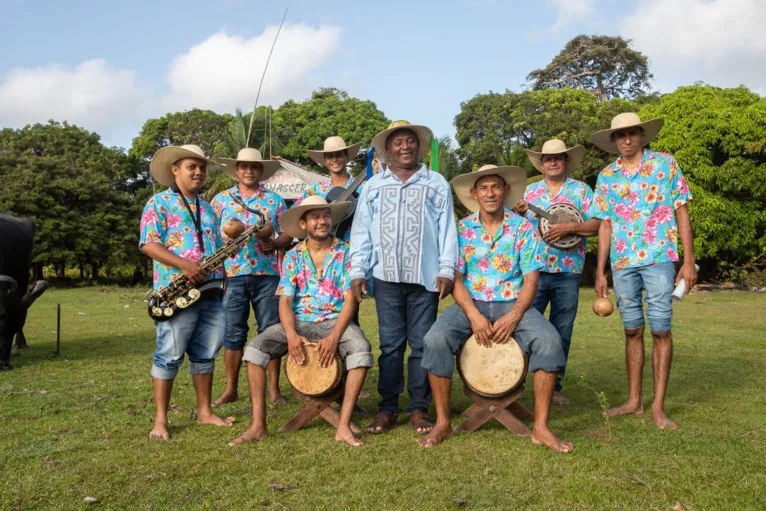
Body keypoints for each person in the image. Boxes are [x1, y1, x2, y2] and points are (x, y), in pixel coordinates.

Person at [419, 164, 573, 452]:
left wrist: (515, 315)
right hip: (471, 303)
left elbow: (531, 280)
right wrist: (474, 316)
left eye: (496, 187)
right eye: (484, 188)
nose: (490, 193)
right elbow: (458, 279)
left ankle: (540, 428)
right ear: (475, 193)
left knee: (550, 341)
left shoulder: (523, 228)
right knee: (435, 339)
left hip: (513, 302)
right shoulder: (461, 229)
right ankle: (442, 422)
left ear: (505, 191)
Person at [229, 196, 373, 447]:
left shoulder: (347, 253)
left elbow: (350, 300)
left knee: (360, 349)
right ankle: (258, 426)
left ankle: (343, 426)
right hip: (299, 322)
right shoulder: (294, 255)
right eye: (315, 217)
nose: (322, 221)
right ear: (303, 224)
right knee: (254, 350)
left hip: (333, 321)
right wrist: (292, 335)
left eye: (326, 215)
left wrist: (334, 336)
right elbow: (284, 301)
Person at [349, 123, 458, 436]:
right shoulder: (373, 187)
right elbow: (361, 232)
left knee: (422, 345)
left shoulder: (436, 183)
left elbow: (447, 229)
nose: (405, 147)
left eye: (411, 142)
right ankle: (388, 408)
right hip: (386, 277)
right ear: (387, 149)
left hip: (426, 278)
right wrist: (358, 269)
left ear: (420, 147)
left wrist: (446, 269)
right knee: (391, 346)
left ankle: (419, 409)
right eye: (398, 142)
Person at [591, 112, 696, 430]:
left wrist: (688, 261)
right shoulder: (606, 176)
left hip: (660, 258)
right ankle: (634, 401)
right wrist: (600, 271)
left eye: (632, 133)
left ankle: (658, 407)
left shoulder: (666, 165)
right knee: (632, 330)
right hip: (622, 263)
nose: (626, 140)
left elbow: (682, 212)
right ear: (613, 141)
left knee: (661, 329)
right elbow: (605, 225)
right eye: (620, 135)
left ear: (642, 135)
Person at [139, 144, 234, 440]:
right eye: (191, 167)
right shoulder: (158, 203)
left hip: (212, 292)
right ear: (175, 170)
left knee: (206, 354)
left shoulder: (207, 208)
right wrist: (184, 265)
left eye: (202, 167)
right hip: (176, 294)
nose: (199, 172)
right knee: (168, 355)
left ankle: (205, 412)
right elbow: (148, 244)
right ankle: (160, 421)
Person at [515, 140, 600, 405]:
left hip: (568, 272)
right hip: (534, 272)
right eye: (547, 158)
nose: (552, 162)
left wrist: (569, 229)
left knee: (562, 329)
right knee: (525, 327)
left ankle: (554, 386)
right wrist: (516, 214)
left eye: (557, 158)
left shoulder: (582, 190)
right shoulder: (529, 193)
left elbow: (597, 224)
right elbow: (516, 229)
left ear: (566, 162)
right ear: (541, 163)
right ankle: (514, 382)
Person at [210, 148, 292, 407]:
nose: (248, 171)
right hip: (232, 274)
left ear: (261, 171)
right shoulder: (221, 200)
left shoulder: (275, 200)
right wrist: (223, 240)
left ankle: (274, 390)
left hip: (267, 274)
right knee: (233, 333)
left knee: (270, 331)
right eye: (244, 166)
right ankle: (231, 389)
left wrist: (276, 244)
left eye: (254, 167)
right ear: (236, 170)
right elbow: (210, 233)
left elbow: (289, 230)